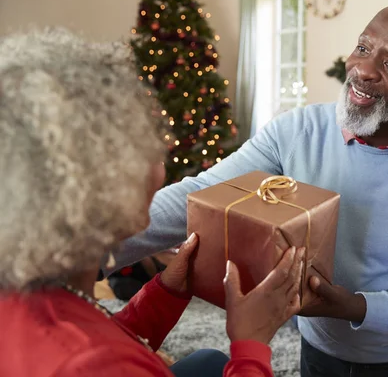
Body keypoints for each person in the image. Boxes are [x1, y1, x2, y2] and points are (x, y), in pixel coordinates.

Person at [111, 2, 388, 376]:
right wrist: (92, 246)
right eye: (362, 47)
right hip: (318, 351)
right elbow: (204, 192)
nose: (362, 69)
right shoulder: (296, 130)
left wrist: (353, 306)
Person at [0, 28, 304, 377]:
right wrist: (251, 342)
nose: (160, 170)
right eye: (144, 145)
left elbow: (105, 335)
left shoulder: (34, 293)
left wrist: (165, 292)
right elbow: (103, 357)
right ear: (96, 187)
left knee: (207, 361)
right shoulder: (93, 362)